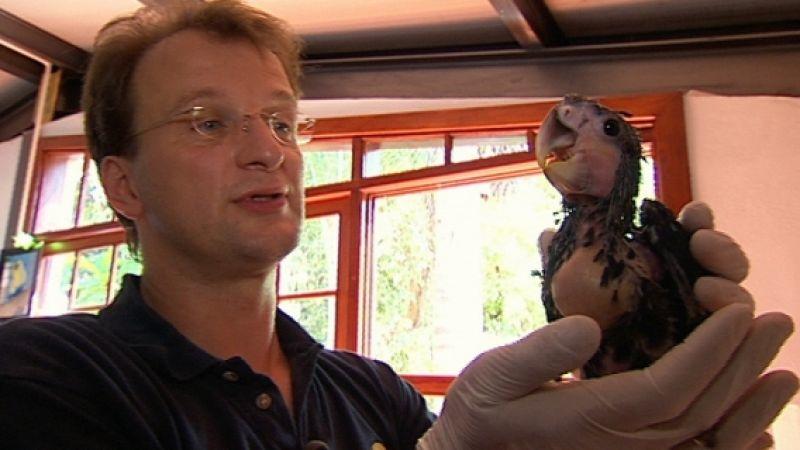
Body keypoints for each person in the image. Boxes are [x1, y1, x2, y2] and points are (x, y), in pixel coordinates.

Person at [0, 1, 796, 449]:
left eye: (282, 122)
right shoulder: (39, 379)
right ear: (125, 184)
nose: (266, 152)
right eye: (208, 123)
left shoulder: (371, 392)